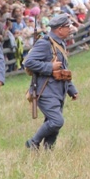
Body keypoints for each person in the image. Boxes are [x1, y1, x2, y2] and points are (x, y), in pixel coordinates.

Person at [24, 14, 79, 150]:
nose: (69, 29)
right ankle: (33, 142)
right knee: (56, 121)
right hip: (45, 90)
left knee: (53, 124)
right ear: (59, 29)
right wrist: (49, 67)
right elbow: (28, 62)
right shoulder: (45, 43)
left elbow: (63, 69)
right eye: (67, 27)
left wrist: (72, 89)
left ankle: (48, 152)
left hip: (59, 90)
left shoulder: (60, 44)